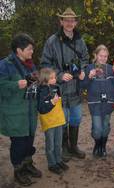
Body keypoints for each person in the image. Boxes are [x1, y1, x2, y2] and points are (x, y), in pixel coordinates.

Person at [41, 7, 89, 161]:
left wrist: (81, 70)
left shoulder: (80, 40)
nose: (69, 23)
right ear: (61, 22)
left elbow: (85, 58)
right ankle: (64, 148)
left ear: (75, 22)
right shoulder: (52, 41)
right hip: (59, 88)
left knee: (75, 118)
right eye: (66, 20)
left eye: (72, 20)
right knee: (62, 119)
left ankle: (73, 147)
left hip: (75, 88)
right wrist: (60, 75)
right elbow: (45, 64)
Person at [0, 33, 42, 186]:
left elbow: (34, 83)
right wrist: (16, 85)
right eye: (29, 49)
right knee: (18, 144)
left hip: (30, 111)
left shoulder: (30, 64)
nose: (32, 52)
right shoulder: (5, 65)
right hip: (15, 113)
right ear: (19, 50)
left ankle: (27, 164)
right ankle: (18, 170)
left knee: (29, 141)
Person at [82, 45, 114, 157]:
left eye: (105, 56)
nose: (103, 58)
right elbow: (83, 86)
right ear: (95, 55)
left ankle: (102, 146)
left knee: (105, 127)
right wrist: (89, 76)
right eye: (101, 56)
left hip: (108, 102)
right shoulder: (89, 68)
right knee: (97, 129)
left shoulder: (111, 69)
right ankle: (97, 144)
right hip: (95, 103)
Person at [37, 68, 69, 175]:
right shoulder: (41, 90)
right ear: (45, 79)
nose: (54, 79)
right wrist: (52, 102)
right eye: (51, 78)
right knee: (50, 145)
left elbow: (60, 103)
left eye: (55, 77)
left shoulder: (56, 87)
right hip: (49, 122)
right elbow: (41, 108)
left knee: (58, 143)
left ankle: (58, 160)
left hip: (59, 120)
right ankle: (52, 164)